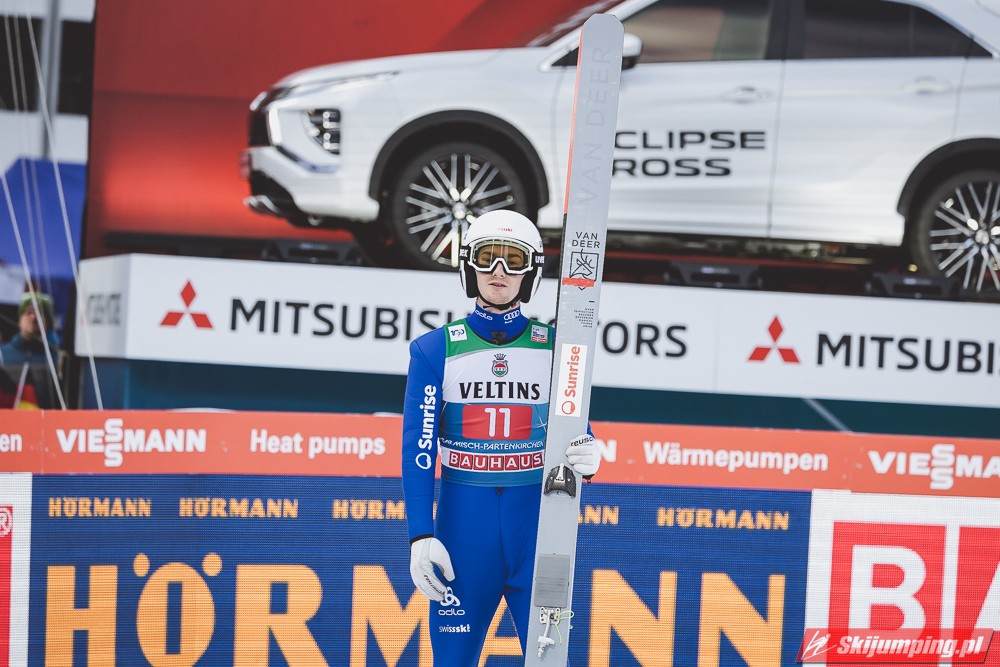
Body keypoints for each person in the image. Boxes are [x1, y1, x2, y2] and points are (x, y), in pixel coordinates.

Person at [401, 210, 600, 665]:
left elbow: (577, 430)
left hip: (538, 534)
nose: (498, 271)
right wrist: (419, 534)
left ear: (531, 272)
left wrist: (591, 450)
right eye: (487, 256)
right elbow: (418, 447)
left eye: (513, 260)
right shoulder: (433, 349)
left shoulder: (558, 349)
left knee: (550, 661)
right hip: (462, 538)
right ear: (468, 265)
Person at [0, 291, 59, 408]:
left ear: (47, 322)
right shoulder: (2, 353)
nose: (33, 317)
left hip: (45, 418)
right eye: (28, 312)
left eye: (39, 313)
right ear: (19, 319)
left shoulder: (57, 358)